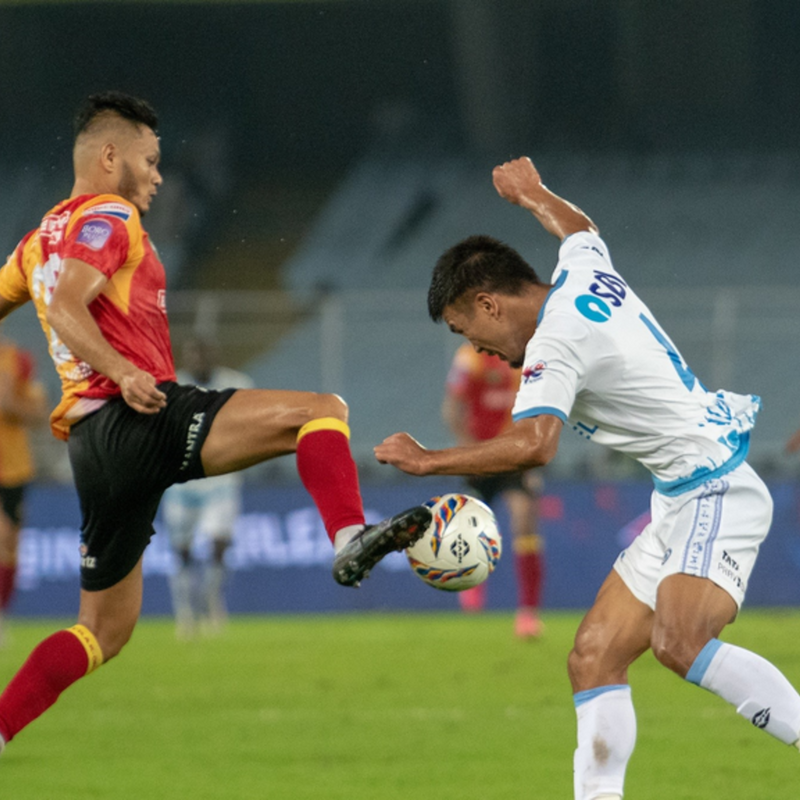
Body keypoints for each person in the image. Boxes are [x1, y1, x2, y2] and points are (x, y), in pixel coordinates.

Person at [0, 91, 430, 755]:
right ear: (110, 157)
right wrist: (124, 371)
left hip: (91, 449)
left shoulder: (35, 243)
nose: (158, 176)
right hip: (139, 415)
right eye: (150, 160)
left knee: (102, 631)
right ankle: (348, 536)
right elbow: (65, 307)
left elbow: (40, 300)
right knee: (322, 411)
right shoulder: (109, 215)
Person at [375, 156, 800, 799]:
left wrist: (427, 459)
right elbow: (580, 229)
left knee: (680, 643)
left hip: (716, 487)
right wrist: (533, 193)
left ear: (489, 303)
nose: (480, 350)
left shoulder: (555, 341)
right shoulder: (580, 273)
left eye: (470, 331)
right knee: (593, 657)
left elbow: (535, 445)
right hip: (681, 495)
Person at [442, 343, 544, 638]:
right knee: (471, 523)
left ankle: (528, 613)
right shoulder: (469, 358)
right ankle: (471, 585)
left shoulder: (523, 360)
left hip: (512, 455)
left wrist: (532, 462)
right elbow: (451, 408)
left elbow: (535, 414)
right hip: (479, 454)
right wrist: (467, 450)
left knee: (524, 519)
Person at [161, 336, 254, 639]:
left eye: (204, 353)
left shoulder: (236, 385)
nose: (199, 359)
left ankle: (211, 599)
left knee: (218, 542)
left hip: (220, 479)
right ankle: (185, 610)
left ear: (215, 356)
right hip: (181, 481)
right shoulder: (172, 386)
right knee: (182, 550)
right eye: (193, 354)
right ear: (185, 357)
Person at [0, 329, 48, 644]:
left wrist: (11, 402)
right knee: (2, 536)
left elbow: (39, 412)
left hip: (15, 468)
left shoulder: (18, 359)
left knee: (10, 548)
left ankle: (2, 615)